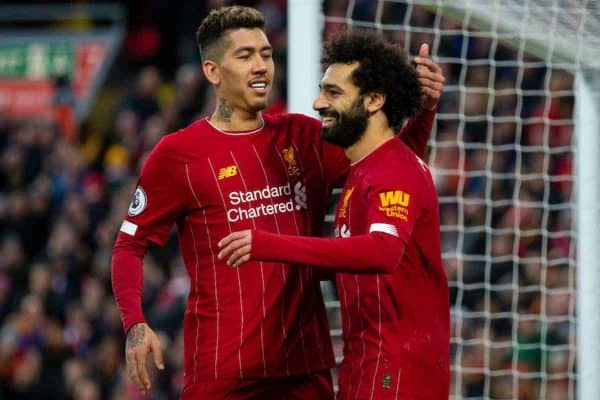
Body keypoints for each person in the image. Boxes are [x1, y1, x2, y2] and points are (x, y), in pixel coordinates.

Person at [111, 6, 445, 400]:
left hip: (305, 368)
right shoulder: (178, 156)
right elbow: (130, 246)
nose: (260, 66)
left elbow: (390, 168)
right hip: (225, 370)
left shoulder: (305, 138)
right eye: (245, 55)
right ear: (213, 72)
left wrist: (423, 111)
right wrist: (135, 323)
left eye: (266, 54)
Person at [218, 30, 450, 399]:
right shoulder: (368, 169)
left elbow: (382, 251)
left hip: (396, 371)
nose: (318, 103)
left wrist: (268, 244)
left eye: (333, 93)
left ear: (374, 100)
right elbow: (350, 257)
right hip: (368, 364)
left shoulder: (393, 169)